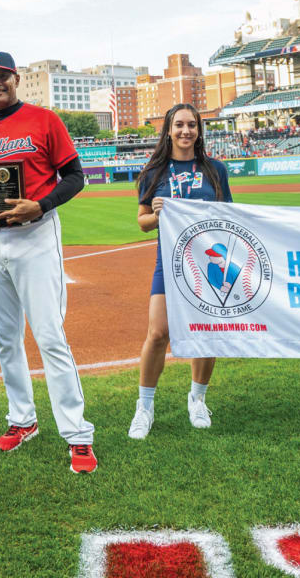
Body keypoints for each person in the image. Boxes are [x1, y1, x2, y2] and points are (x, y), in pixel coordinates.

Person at [0, 51, 97, 474]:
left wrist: (41, 206)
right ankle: (22, 419)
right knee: (5, 336)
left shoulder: (45, 120)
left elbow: (75, 176)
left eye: (2, 76)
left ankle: (77, 434)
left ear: (15, 79)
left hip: (35, 235)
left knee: (50, 336)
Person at [128, 103, 230, 440]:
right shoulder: (154, 173)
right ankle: (144, 408)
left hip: (210, 262)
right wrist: (157, 216)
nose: (186, 131)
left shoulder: (215, 170)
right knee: (158, 332)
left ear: (199, 131)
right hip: (169, 262)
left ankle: (197, 399)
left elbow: (231, 217)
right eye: (179, 125)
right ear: (168, 130)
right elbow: (143, 223)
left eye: (192, 125)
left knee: (208, 333)